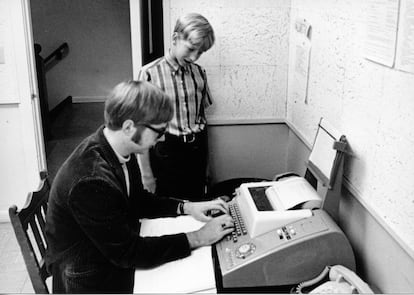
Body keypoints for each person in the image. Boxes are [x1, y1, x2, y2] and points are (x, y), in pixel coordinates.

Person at [44, 80, 234, 294]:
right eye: (159, 131)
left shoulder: (118, 147)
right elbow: (128, 253)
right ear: (128, 127)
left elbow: (138, 201)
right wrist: (198, 237)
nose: (163, 137)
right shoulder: (90, 180)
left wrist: (188, 208)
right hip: (87, 277)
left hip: (109, 253)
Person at [137, 13, 215, 201]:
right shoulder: (149, 74)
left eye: (201, 52)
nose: (194, 57)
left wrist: (207, 165)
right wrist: (146, 174)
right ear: (175, 38)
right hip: (166, 154)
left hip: (196, 151)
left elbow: (201, 117)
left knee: (197, 205)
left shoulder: (199, 73)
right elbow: (140, 129)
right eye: (191, 49)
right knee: (170, 208)